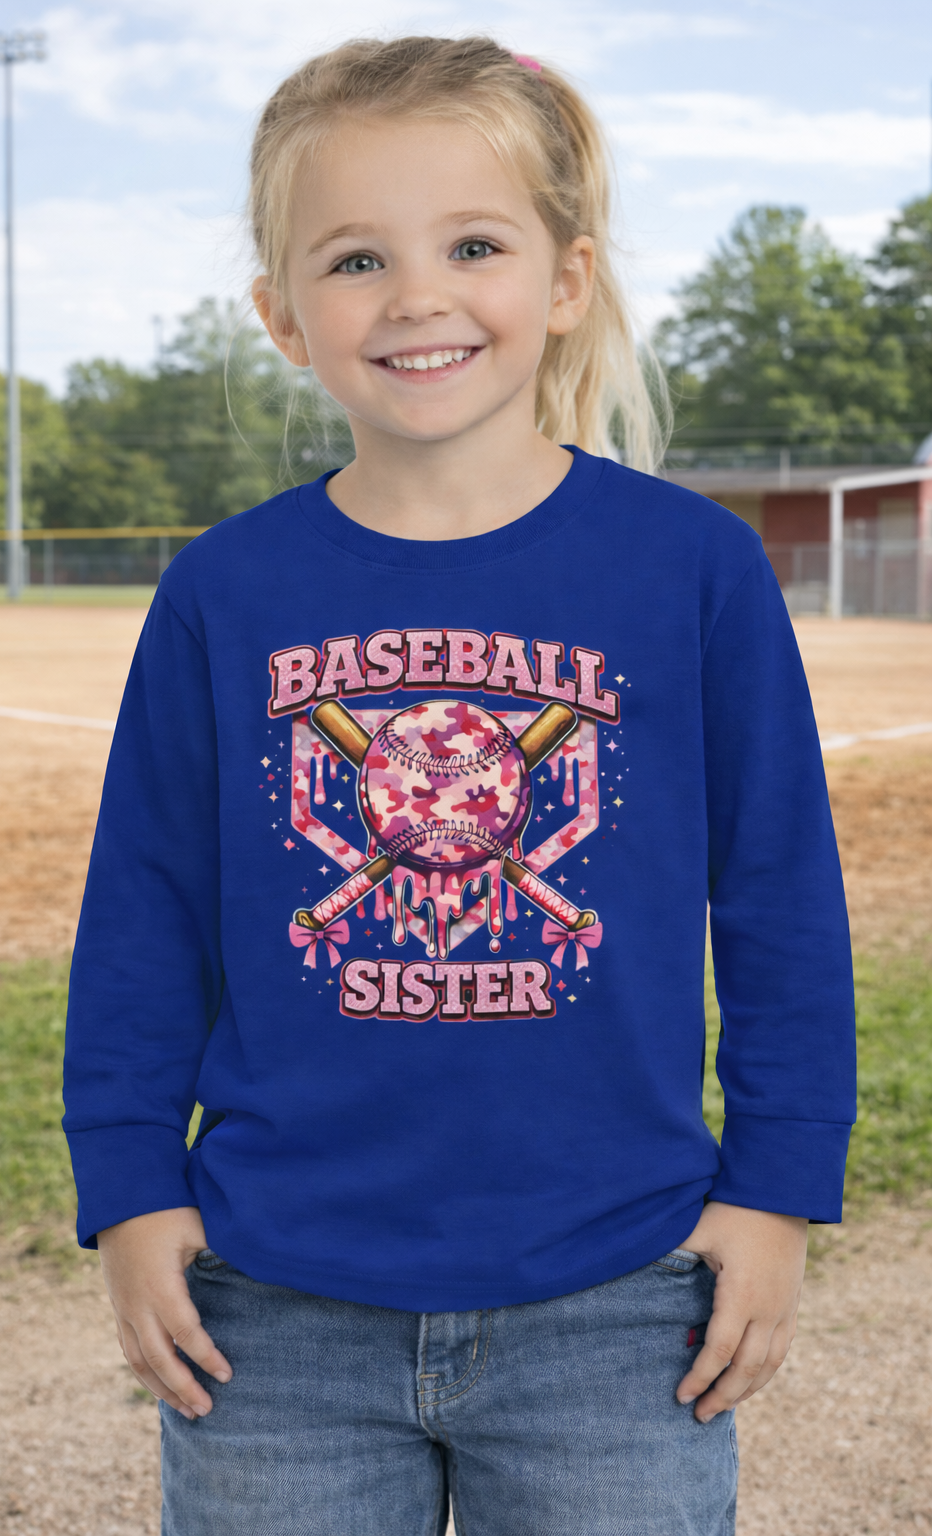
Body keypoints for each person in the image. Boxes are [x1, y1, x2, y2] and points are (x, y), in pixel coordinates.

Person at [63, 36, 855, 1536]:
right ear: (283, 318)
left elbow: (779, 903)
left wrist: (775, 1188)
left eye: (472, 245)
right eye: (356, 258)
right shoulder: (224, 595)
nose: (417, 295)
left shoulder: (691, 572)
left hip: (619, 1298)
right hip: (274, 1300)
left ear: (564, 280)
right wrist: (128, 1185)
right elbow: (145, 912)